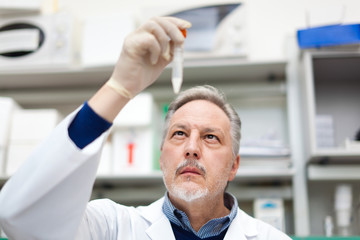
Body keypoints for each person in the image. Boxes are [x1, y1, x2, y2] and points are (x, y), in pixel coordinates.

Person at [0, 17, 291, 240]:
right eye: (179, 133)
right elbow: (21, 218)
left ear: (233, 166)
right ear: (162, 154)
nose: (191, 147)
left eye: (211, 137)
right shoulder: (111, 226)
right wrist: (120, 87)